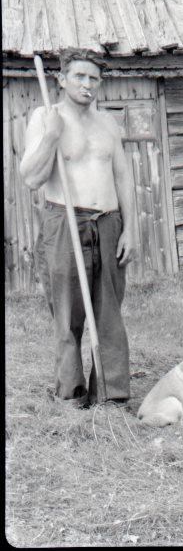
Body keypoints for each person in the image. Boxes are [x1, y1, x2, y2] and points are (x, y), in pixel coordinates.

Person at [20, 48, 136, 408]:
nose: (87, 85)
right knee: (67, 312)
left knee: (110, 313)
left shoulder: (107, 124)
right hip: (65, 222)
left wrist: (131, 228)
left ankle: (112, 395)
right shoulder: (45, 117)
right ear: (61, 79)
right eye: (79, 77)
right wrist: (52, 137)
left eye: (94, 78)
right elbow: (31, 178)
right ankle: (71, 394)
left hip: (109, 222)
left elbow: (122, 177)